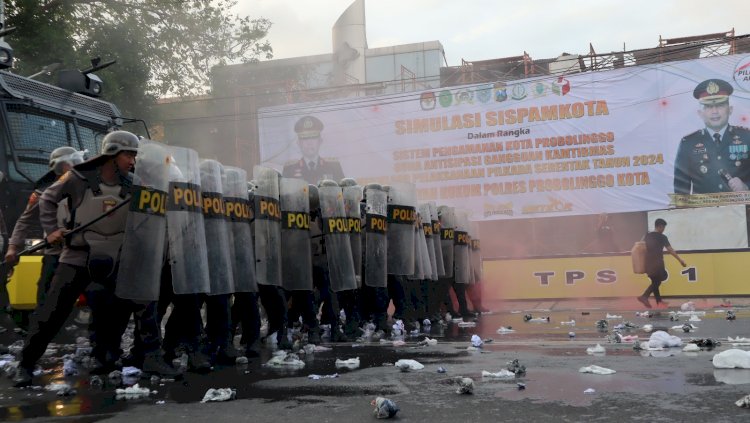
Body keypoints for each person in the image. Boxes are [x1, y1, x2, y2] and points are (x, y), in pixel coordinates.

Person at [12, 131, 178, 387]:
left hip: (117, 255)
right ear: (112, 153)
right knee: (52, 312)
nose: (132, 160)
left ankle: (119, 357)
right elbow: (47, 199)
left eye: (135, 155)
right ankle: (26, 363)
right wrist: (51, 231)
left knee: (121, 307)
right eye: (128, 154)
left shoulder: (133, 183)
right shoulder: (77, 177)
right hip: (79, 254)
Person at [5, 147, 86, 309]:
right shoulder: (43, 192)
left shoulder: (87, 187)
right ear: (64, 166)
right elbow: (24, 221)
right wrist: (13, 247)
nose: (79, 165)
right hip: (55, 253)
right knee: (47, 297)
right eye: (75, 162)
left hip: (82, 252)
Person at [674, 78, 750, 194]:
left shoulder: (747, 137)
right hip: (703, 212)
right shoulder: (688, 143)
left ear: (730, 110)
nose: (714, 111)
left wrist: (746, 187)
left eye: (720, 105)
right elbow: (680, 192)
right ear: (700, 113)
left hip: (742, 210)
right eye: (708, 107)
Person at [637, 218, 686, 309]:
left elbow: (640, 247)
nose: (663, 230)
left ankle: (659, 301)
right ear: (660, 226)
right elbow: (670, 249)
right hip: (657, 262)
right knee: (658, 280)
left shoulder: (647, 235)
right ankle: (644, 296)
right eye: (663, 227)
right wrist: (680, 260)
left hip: (647, 263)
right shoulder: (662, 237)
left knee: (655, 281)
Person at [282, 116, 344, 185]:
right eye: (305, 138)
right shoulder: (289, 170)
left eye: (313, 137)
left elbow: (343, 192)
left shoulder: (334, 167)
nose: (309, 143)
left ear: (320, 141)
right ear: (299, 143)